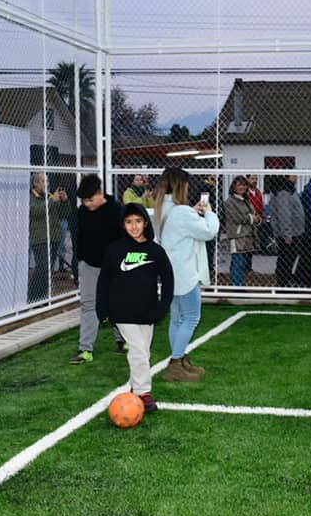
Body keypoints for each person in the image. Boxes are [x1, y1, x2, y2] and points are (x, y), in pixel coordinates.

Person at [96, 203, 174, 413]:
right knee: (138, 350)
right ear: (123, 224)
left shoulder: (155, 251)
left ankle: (134, 386)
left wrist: (162, 307)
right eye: (129, 222)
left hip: (147, 311)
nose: (134, 226)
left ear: (145, 223)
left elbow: (168, 279)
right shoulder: (114, 249)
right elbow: (103, 281)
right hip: (121, 310)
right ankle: (143, 393)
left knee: (143, 353)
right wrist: (101, 309)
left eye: (138, 221)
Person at [155, 166, 220, 382]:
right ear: (181, 186)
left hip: (169, 273)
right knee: (191, 318)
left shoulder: (161, 208)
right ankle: (175, 363)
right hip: (184, 273)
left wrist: (192, 212)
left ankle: (180, 359)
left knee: (177, 318)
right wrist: (209, 211)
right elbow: (209, 231)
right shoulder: (180, 211)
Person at [71, 173, 124, 364]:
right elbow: (79, 240)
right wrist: (77, 264)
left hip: (113, 267)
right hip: (88, 265)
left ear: (100, 193)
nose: (87, 204)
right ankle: (85, 349)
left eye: (90, 200)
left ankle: (123, 340)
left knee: (116, 303)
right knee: (88, 305)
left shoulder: (117, 211)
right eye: (83, 201)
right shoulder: (81, 212)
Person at [28, 173, 68, 301]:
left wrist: (64, 201)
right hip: (39, 239)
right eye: (43, 181)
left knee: (49, 269)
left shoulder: (50, 197)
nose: (46, 184)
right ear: (35, 183)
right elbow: (36, 211)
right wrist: (51, 201)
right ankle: (33, 297)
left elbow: (65, 213)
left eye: (47, 181)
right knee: (42, 267)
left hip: (54, 237)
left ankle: (44, 296)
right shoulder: (31, 197)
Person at [268, 174, 308, 287]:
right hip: (289, 234)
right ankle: (283, 282)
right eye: (293, 175)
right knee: (286, 258)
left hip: (294, 232)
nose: (296, 177)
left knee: (288, 258)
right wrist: (287, 234)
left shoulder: (290, 191)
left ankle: (285, 280)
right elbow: (284, 215)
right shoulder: (283, 193)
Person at [223, 175, 257, 286]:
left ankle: (239, 284)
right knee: (238, 262)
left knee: (242, 263)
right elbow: (236, 218)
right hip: (236, 236)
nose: (242, 187)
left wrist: (256, 219)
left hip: (247, 235)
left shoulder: (246, 200)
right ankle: (237, 286)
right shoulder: (230, 202)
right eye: (239, 185)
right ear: (233, 187)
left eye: (244, 185)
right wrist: (252, 218)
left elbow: (252, 214)